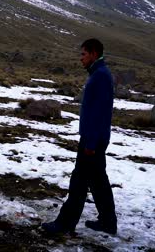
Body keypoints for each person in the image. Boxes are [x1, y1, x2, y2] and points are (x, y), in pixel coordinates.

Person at [42, 38, 117, 235]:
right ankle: (108, 222)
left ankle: (64, 225)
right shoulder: (100, 73)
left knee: (79, 182)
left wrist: (90, 142)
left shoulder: (100, 76)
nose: (80, 58)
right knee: (98, 181)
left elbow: (98, 113)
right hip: (97, 137)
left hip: (92, 140)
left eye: (83, 54)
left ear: (93, 53)